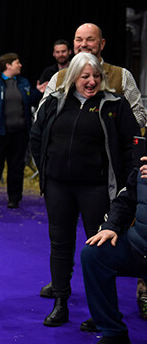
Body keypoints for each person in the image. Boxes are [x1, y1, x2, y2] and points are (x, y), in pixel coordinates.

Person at [37, 22, 147, 315]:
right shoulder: (57, 93)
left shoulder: (117, 94)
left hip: (98, 187)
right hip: (59, 185)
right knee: (59, 242)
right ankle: (61, 299)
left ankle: (99, 311)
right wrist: (46, 170)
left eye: (95, 76)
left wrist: (126, 182)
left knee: (97, 246)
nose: (90, 80)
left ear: (102, 44)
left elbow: (133, 137)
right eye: (79, 40)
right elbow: (38, 134)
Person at [80, 157, 147, 344]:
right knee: (94, 254)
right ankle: (113, 334)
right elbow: (126, 198)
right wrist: (111, 226)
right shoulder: (143, 161)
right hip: (138, 246)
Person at [0, 52, 39, 208]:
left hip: (19, 133)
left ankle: (14, 198)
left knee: (16, 166)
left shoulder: (23, 82)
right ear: (8, 65)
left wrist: (38, 91)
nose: (20, 65)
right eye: (17, 63)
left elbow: (31, 100)